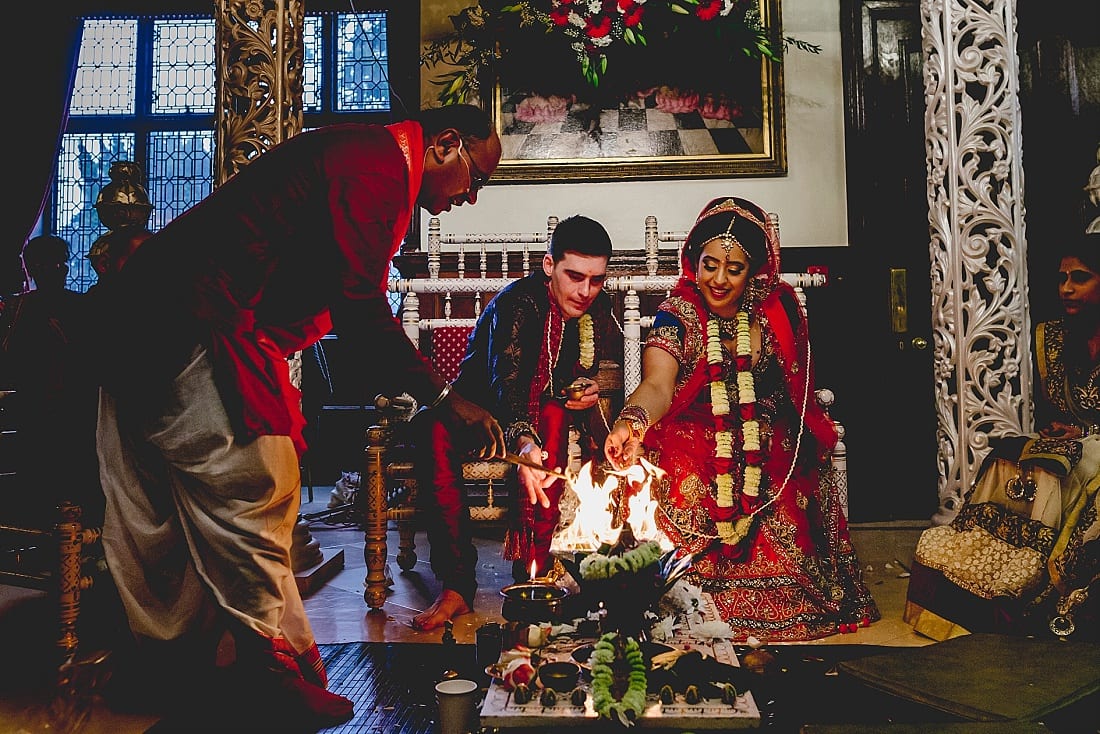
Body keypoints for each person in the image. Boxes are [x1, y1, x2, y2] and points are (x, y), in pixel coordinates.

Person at [90, 104, 508, 729]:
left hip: (190, 319)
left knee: (239, 488)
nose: (472, 197)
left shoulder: (373, 162)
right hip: (185, 321)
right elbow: (359, 303)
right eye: (476, 177)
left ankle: (224, 663)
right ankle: (264, 674)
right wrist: (444, 399)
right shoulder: (376, 166)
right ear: (446, 144)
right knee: (253, 476)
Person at [604, 196, 880, 642]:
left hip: (763, 432)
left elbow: (796, 388)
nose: (718, 279)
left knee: (782, 471)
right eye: (710, 264)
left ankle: (782, 590)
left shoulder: (776, 311)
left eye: (733, 269)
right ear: (695, 262)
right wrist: (633, 421)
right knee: (680, 470)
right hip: (691, 429)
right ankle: (684, 592)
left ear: (753, 271)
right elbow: (657, 384)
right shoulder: (677, 315)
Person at [411, 214, 622, 631]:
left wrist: (577, 391)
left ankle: (536, 571)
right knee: (433, 432)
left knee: (556, 414)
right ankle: (456, 586)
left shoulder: (596, 308)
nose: (585, 291)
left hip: (536, 417)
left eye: (596, 280)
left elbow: (574, 372)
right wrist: (525, 445)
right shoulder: (517, 304)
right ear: (549, 266)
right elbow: (506, 384)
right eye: (574, 276)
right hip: (473, 413)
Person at [904, 232, 1100, 641]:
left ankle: (1053, 595)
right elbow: (1064, 409)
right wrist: (1065, 430)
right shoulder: (1056, 338)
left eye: (1080, 278)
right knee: (1008, 457)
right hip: (1079, 448)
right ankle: (988, 581)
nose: (1066, 288)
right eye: (1062, 277)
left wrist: (1084, 432)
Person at [0, 235, 100, 526]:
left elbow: (92, 357)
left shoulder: (82, 306)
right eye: (43, 266)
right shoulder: (18, 309)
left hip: (76, 409)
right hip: (34, 409)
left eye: (58, 264)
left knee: (75, 484)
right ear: (32, 269)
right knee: (37, 484)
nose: (53, 271)